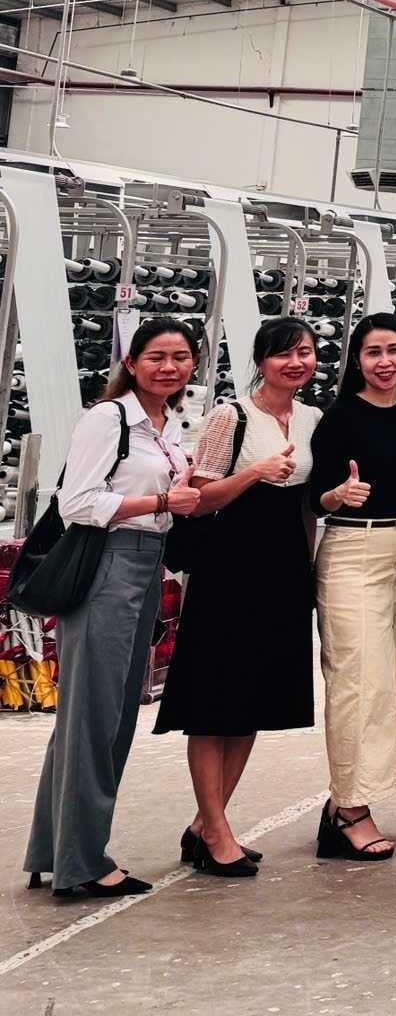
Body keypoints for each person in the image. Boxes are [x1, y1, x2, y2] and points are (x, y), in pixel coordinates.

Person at [24, 318, 202, 900]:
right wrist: (162, 499)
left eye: (180, 357)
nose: (169, 367)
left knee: (105, 714)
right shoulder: (109, 418)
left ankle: (54, 851)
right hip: (109, 562)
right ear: (130, 363)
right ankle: (82, 863)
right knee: (96, 718)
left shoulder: (166, 424)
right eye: (156, 357)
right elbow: (78, 502)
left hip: (145, 564)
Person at [154, 317, 322, 878]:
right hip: (229, 568)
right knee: (213, 701)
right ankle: (217, 829)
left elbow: (307, 505)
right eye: (283, 354)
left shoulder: (312, 419)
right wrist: (255, 472)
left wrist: (310, 566)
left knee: (252, 700)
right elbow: (199, 500)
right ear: (261, 360)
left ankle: (208, 824)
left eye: (305, 352)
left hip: (285, 569)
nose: (295, 363)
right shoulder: (231, 415)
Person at [308, 312, 396, 863]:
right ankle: (350, 810)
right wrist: (338, 496)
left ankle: (347, 801)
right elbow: (315, 495)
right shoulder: (338, 417)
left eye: (394, 350)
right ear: (356, 358)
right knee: (355, 682)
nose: (384, 362)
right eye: (373, 352)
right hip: (352, 552)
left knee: (390, 684)